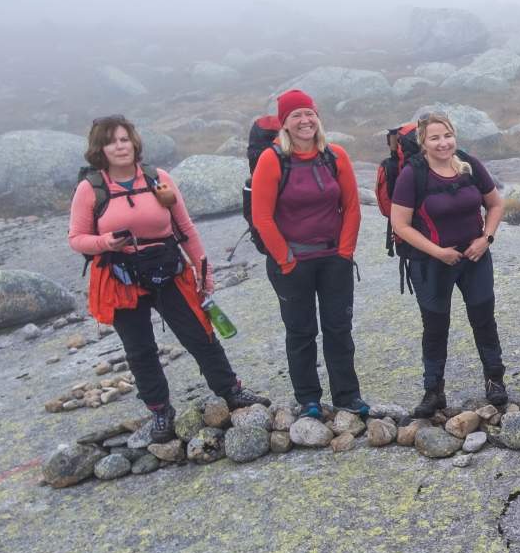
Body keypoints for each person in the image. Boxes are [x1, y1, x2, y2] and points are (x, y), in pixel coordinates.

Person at [70, 116, 269, 441]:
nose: (120, 146)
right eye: (111, 141)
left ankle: (231, 392)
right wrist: (105, 243)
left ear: (134, 142)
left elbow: (184, 228)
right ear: (99, 148)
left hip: (168, 269)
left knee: (199, 334)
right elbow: (77, 238)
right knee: (139, 350)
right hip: (120, 278)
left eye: (124, 139)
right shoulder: (90, 189)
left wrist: (203, 271)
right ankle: (160, 411)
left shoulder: (158, 178)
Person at [249, 89, 368, 419]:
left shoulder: (335, 155)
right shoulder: (272, 160)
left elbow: (352, 207)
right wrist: (286, 260)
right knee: (301, 332)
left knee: (338, 329)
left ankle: (348, 395)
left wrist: (345, 252)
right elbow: (262, 217)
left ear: (318, 118)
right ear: (284, 124)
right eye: (296, 115)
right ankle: (309, 399)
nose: (305, 120)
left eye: (309, 114)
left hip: (333, 259)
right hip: (292, 263)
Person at [388, 112, 508, 417]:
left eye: (447, 136)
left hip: (475, 256)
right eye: (435, 138)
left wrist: (486, 239)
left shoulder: (469, 164)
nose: (443, 143)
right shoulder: (412, 174)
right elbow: (400, 225)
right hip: (431, 263)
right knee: (435, 327)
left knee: (483, 318)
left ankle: (495, 380)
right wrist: (437, 252)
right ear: (423, 143)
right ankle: (433, 391)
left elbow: (495, 204)